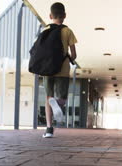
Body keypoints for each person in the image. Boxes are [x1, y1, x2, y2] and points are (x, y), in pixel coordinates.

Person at [43, 2, 78, 138]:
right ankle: (57, 104)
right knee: (62, 98)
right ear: (64, 16)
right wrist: (70, 58)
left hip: (47, 69)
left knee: (48, 97)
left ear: (50, 15)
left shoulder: (45, 30)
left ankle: (49, 129)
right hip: (62, 68)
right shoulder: (68, 31)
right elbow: (74, 54)